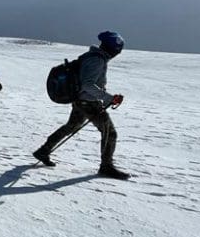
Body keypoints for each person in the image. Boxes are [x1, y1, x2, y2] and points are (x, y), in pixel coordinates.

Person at [33, 31, 130, 180]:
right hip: (89, 103)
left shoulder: (94, 57)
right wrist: (108, 98)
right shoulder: (97, 60)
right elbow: (88, 85)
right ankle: (106, 167)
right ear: (113, 49)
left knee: (71, 126)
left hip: (80, 100)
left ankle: (43, 150)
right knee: (110, 133)